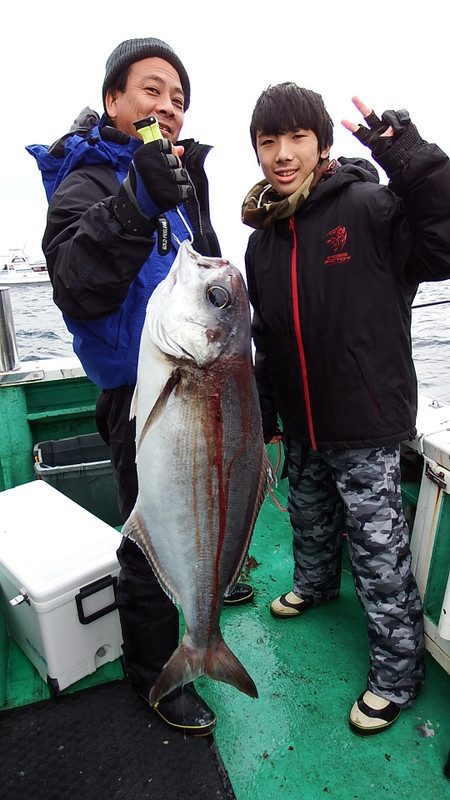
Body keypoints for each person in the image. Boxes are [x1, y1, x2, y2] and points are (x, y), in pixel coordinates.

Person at [29, 37, 253, 736]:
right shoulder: (85, 182)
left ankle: (206, 597)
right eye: (152, 90)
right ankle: (157, 667)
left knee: (218, 510)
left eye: (179, 98)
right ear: (112, 99)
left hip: (197, 382)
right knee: (148, 535)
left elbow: (208, 288)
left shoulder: (181, 183)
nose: (169, 106)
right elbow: (78, 287)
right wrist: (135, 201)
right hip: (142, 395)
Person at [242, 83, 450, 735]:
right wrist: (268, 417)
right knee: (307, 515)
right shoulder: (262, 240)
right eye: (268, 141)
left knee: (377, 552)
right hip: (302, 421)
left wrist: (409, 157)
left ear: (323, 143)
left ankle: (397, 676)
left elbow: (443, 243)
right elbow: (267, 337)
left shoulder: (370, 206)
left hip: (364, 417)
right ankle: (314, 584)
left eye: (296, 137)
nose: (282, 153)